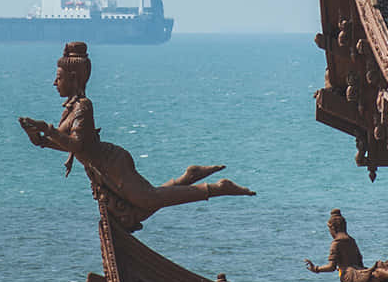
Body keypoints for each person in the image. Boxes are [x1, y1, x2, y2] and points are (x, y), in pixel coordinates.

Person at [19, 42, 254, 218]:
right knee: (145, 202)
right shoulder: (70, 108)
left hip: (112, 164)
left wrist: (46, 129)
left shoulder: (83, 107)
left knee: (150, 200)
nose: (54, 82)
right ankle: (189, 176)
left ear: (72, 78)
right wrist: (37, 138)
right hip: (102, 169)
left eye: (58, 78)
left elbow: (76, 145)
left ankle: (217, 188)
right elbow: (63, 143)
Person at [304, 209, 388, 282]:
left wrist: (316, 269)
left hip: (350, 277)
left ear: (333, 228)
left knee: (379, 268)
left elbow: (332, 267)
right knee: (378, 271)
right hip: (355, 274)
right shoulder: (351, 240)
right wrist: (365, 272)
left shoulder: (336, 244)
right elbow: (359, 260)